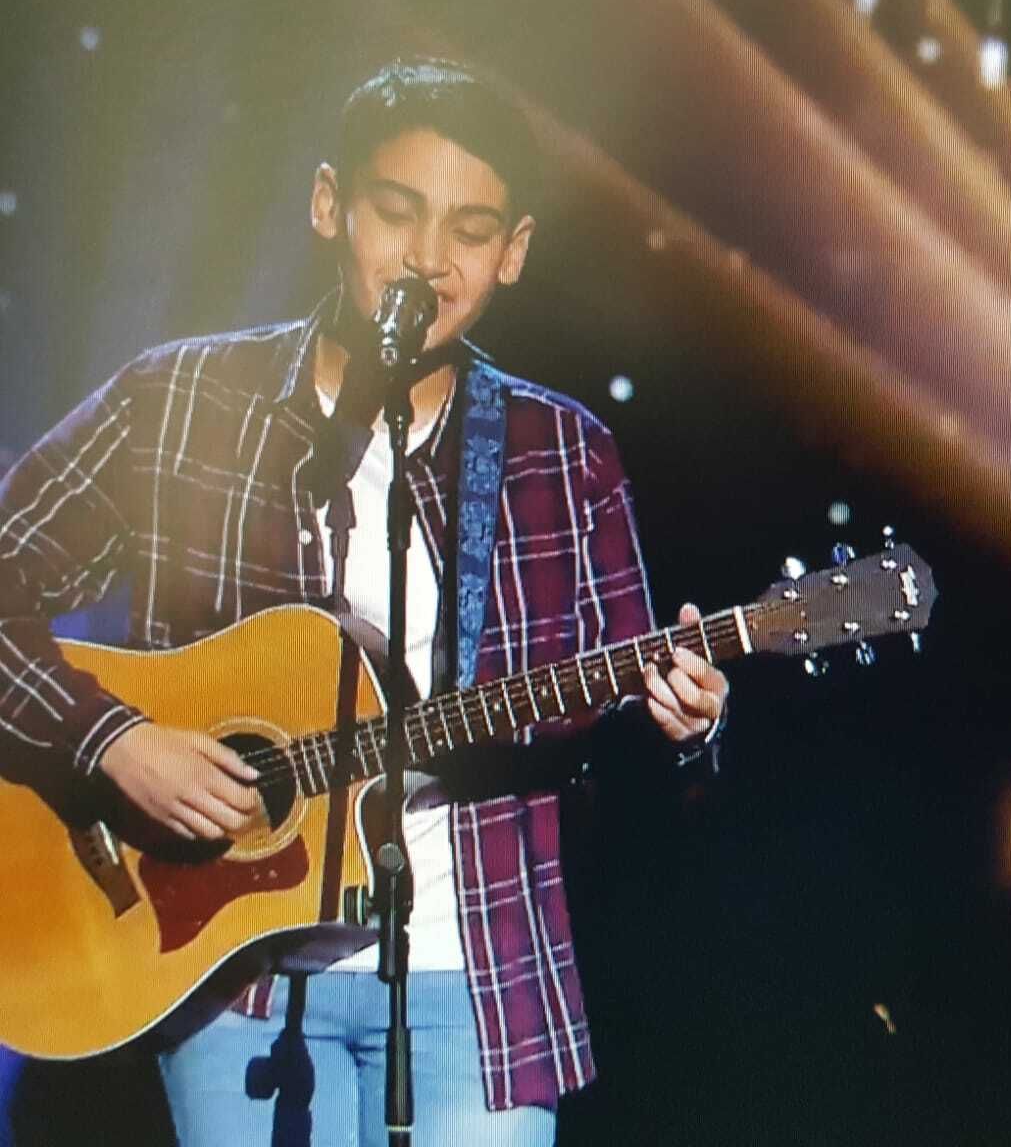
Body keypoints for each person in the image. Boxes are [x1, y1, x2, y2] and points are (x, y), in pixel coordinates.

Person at [0, 57, 728, 1145]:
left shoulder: (559, 452)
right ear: (331, 205)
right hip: (222, 972)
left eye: (471, 230)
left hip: (476, 970)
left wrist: (683, 727)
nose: (428, 259)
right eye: (398, 213)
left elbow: (616, 748)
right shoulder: (181, 399)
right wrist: (113, 741)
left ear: (513, 253)